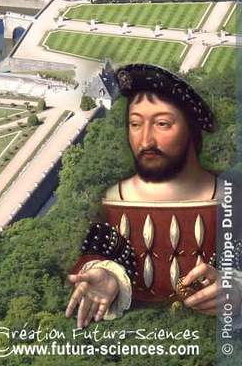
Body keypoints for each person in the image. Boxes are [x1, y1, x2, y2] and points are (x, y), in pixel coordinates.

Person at [65, 63, 230, 329]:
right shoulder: (113, 201)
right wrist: (107, 276)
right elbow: (105, 252)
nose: (145, 141)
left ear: (190, 131)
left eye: (162, 124)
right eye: (135, 124)